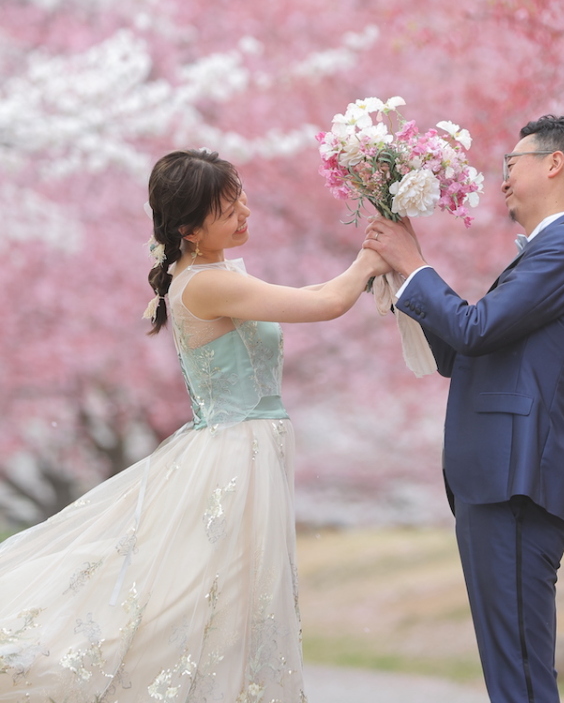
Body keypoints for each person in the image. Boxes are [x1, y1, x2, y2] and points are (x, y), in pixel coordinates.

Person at [0, 147, 387, 702]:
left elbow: (306, 297)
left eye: (241, 199)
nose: (245, 213)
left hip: (243, 450)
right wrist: (372, 255)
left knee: (228, 600)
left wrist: (366, 261)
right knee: (215, 599)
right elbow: (326, 304)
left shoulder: (213, 274)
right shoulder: (205, 283)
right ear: (189, 230)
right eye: (228, 210)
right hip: (235, 457)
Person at [363, 115, 564, 703]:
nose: (502, 179)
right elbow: (462, 351)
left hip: (517, 484)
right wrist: (404, 274)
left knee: (518, 673)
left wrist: (416, 265)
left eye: (511, 164)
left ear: (554, 164)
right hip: (500, 482)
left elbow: (475, 329)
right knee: (512, 670)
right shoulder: (551, 251)